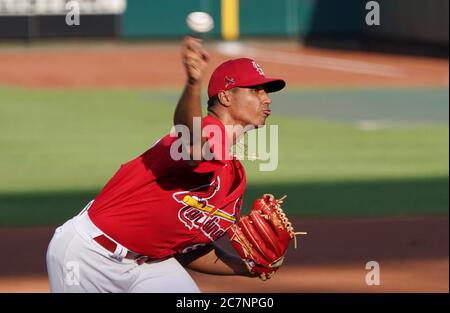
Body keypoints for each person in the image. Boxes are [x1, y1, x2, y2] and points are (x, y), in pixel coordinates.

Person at [46, 36, 286, 293]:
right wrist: (193, 84)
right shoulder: (206, 132)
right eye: (256, 90)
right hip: (89, 256)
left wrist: (247, 267)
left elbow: (188, 250)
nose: (267, 99)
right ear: (226, 96)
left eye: (266, 92)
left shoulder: (234, 177)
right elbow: (192, 140)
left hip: (151, 264)